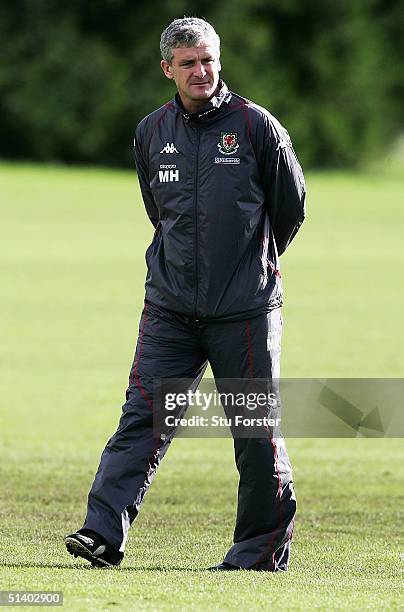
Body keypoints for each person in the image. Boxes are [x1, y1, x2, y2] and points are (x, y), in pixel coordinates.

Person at [65, 16, 306, 571]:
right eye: (189, 62)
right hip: (170, 309)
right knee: (142, 419)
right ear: (167, 69)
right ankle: (102, 533)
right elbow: (161, 214)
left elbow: (290, 209)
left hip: (243, 311)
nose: (202, 71)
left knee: (253, 431)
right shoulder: (151, 132)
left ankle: (259, 551)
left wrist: (248, 269)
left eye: (209, 60)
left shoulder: (256, 128)